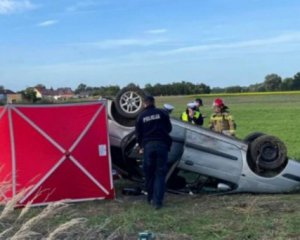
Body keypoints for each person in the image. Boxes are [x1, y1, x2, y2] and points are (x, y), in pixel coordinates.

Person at [135, 95, 172, 210]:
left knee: (149, 173)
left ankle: (150, 198)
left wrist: (141, 146)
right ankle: (158, 202)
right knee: (160, 174)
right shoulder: (162, 113)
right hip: (162, 145)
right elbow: (169, 128)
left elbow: (138, 134)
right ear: (153, 103)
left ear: (144, 104)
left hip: (148, 147)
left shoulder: (141, 116)